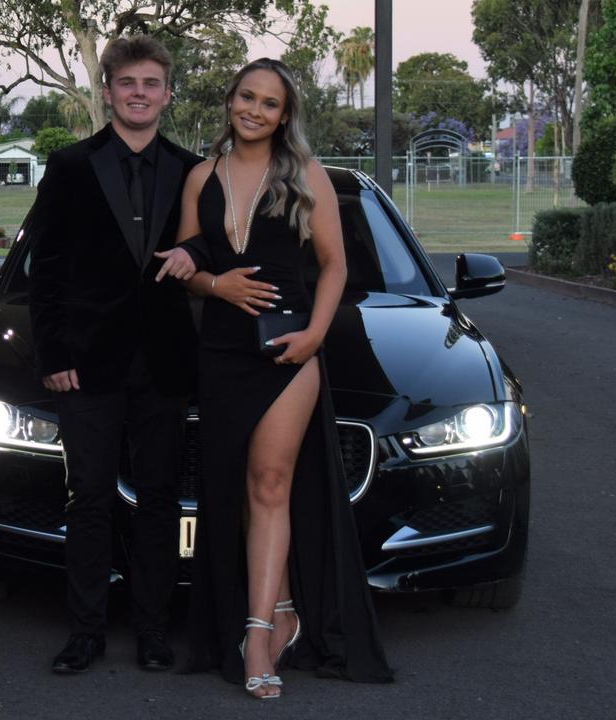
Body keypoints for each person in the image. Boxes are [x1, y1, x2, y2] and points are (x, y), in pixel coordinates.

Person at [154, 58, 394, 698]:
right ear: (230, 100)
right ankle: (283, 610)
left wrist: (316, 335)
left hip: (289, 352)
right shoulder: (201, 176)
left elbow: (335, 266)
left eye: (269, 103)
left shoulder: (305, 174)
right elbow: (189, 260)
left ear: (285, 115)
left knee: (269, 484)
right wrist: (212, 281)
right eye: (245, 97)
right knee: (234, 490)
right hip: (222, 352)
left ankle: (256, 632)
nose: (254, 110)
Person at [25, 36, 201, 675]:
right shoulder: (69, 165)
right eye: (128, 82)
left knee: (158, 500)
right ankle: (86, 634)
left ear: (166, 94)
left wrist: (198, 256)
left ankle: (153, 634)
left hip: (165, 364)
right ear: (107, 90)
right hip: (86, 363)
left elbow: (213, 248)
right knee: (89, 499)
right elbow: (45, 269)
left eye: (151, 83)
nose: (139, 93)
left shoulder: (190, 168)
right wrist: (53, 352)